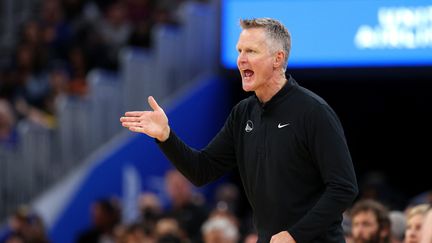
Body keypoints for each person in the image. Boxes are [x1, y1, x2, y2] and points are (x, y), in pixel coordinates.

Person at [120, 17, 358, 243]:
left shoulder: (313, 111)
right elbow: (201, 171)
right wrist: (166, 136)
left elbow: (344, 187)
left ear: (278, 58)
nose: (241, 59)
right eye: (239, 51)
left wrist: (296, 235)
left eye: (251, 51)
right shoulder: (243, 113)